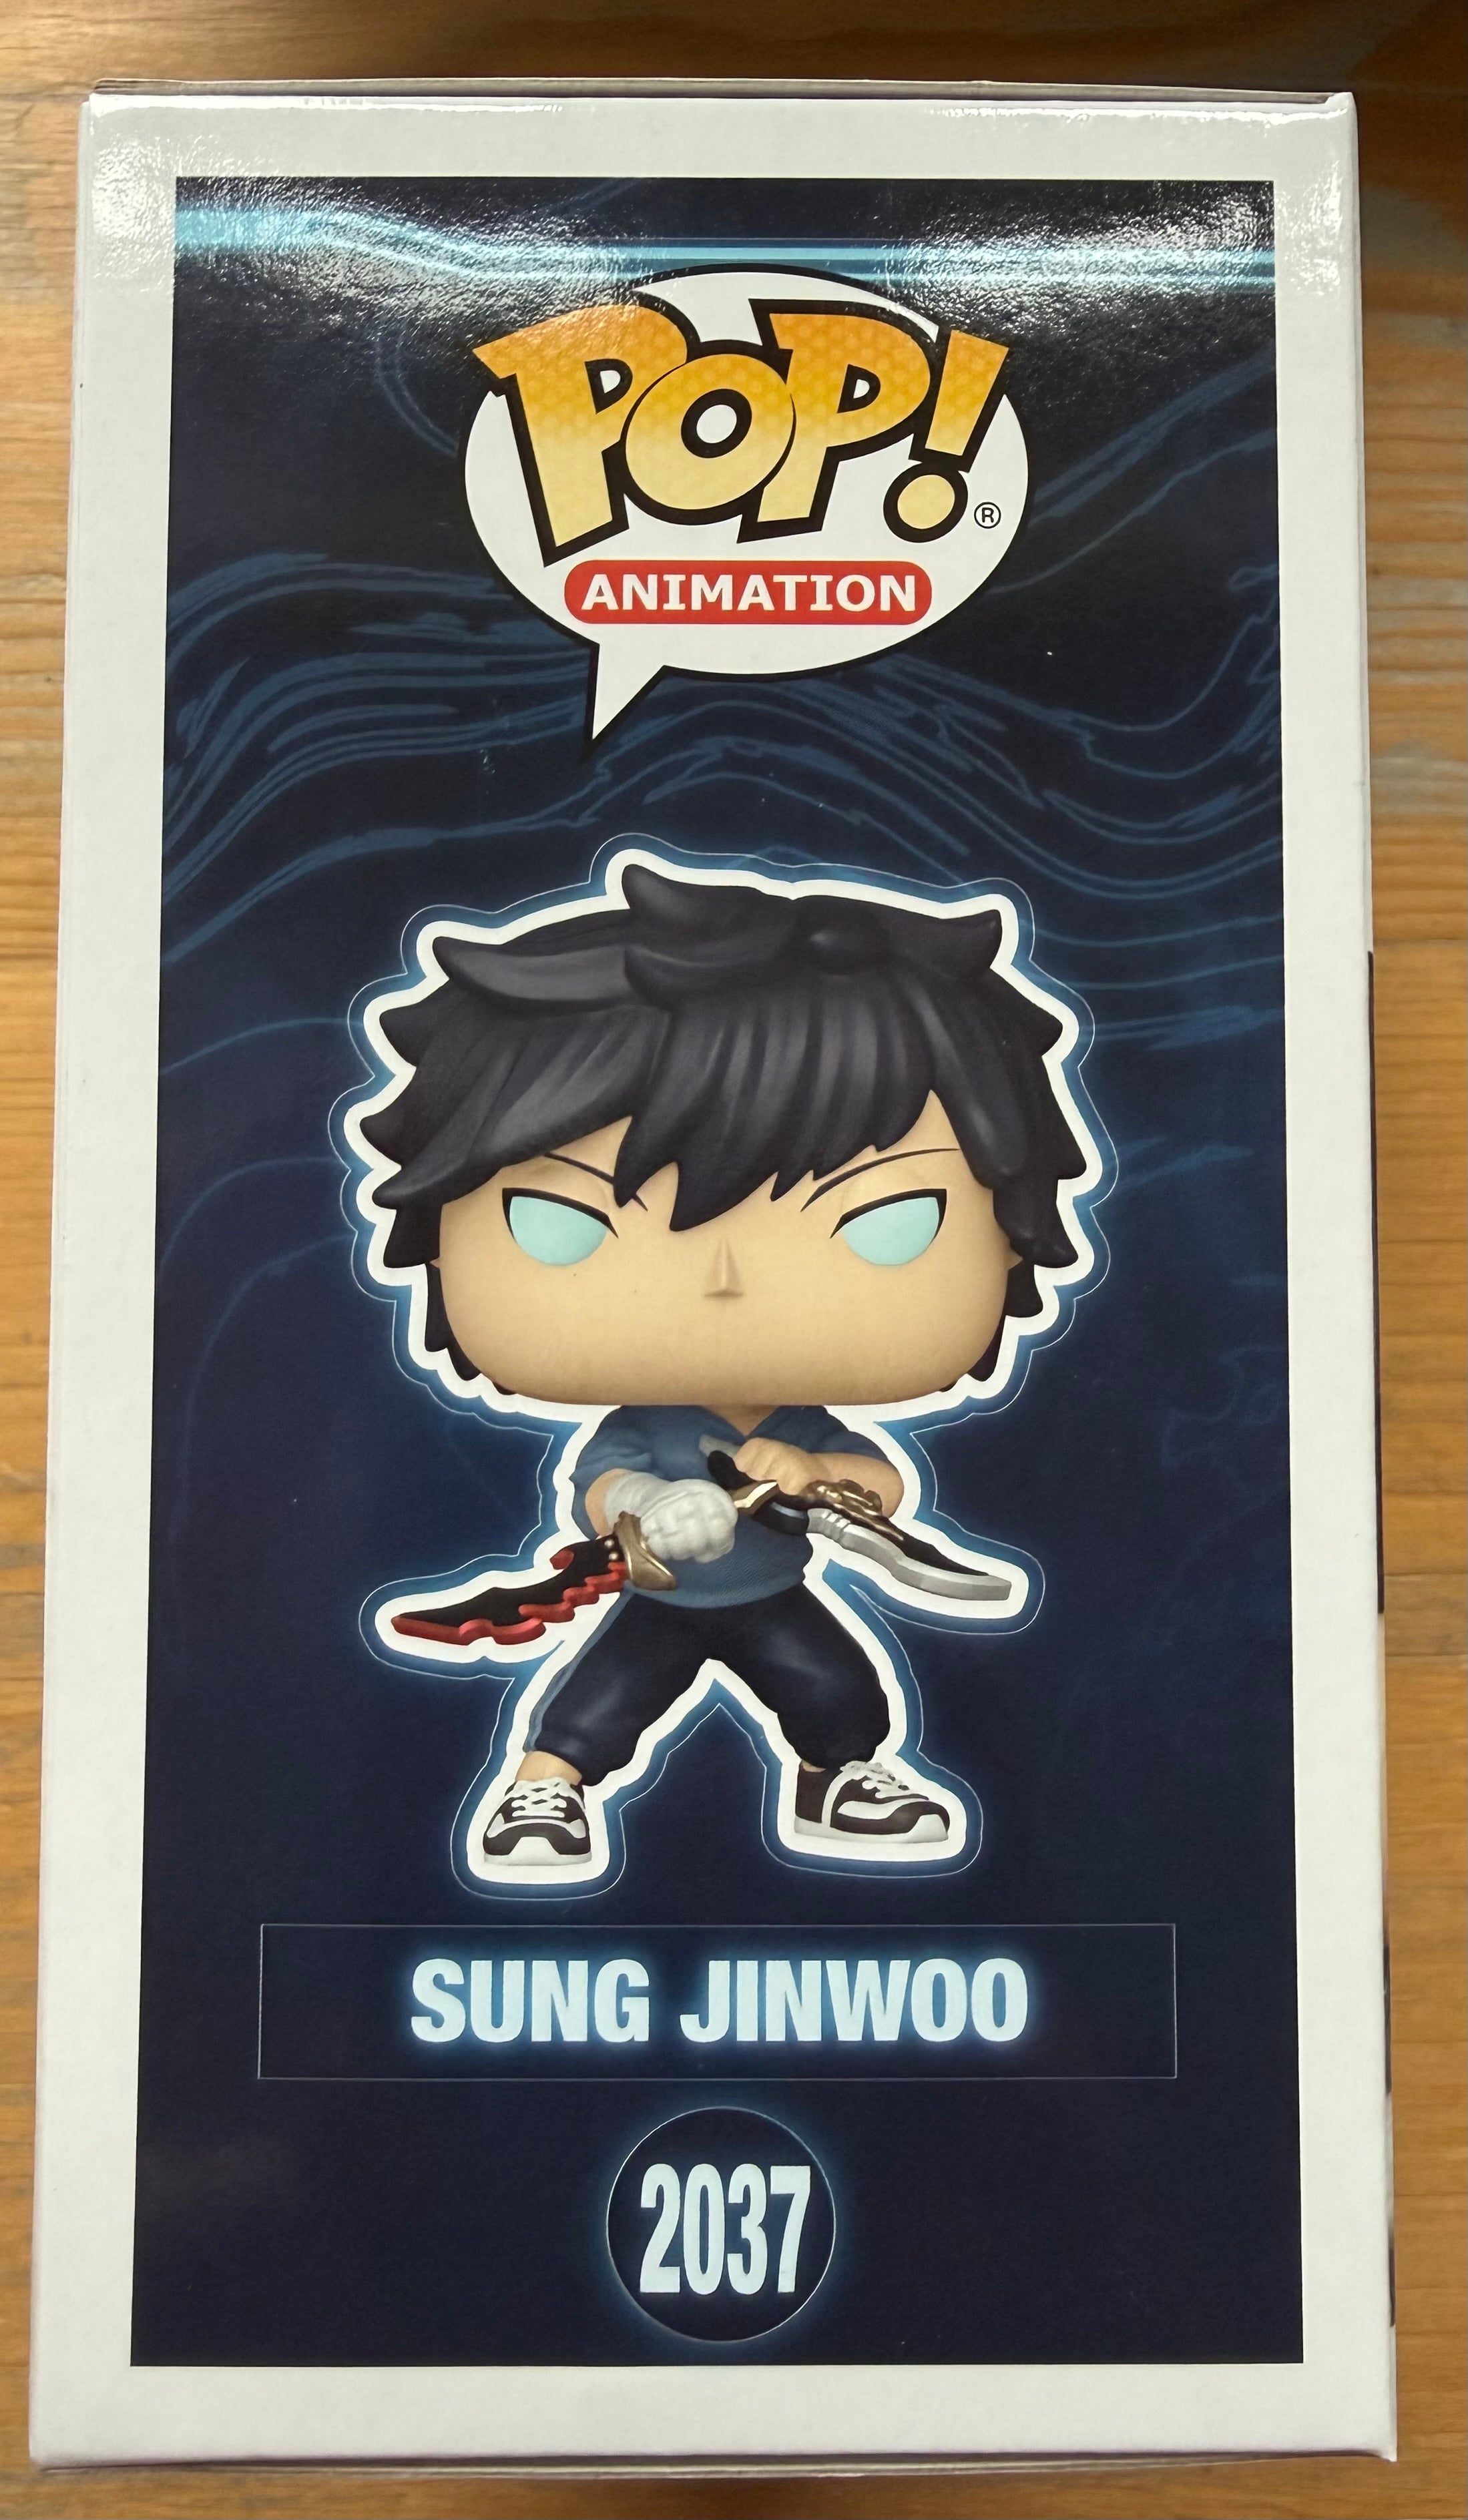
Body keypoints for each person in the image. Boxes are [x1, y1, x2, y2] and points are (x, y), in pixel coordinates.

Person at [358, 861, 1090, 1870]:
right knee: (599, 1702)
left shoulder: (799, 1423)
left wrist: (815, 1472)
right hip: (660, 1601)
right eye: (561, 1224)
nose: (725, 1281)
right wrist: (645, 1505)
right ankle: (544, 1789)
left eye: (888, 1224)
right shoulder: (649, 1423)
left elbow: (881, 1489)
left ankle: (842, 1777)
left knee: (835, 1688)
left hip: (774, 1595)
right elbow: (598, 1487)